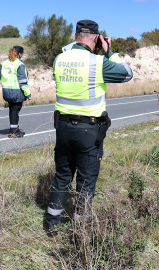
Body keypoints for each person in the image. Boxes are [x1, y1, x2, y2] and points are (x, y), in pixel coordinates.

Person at [45, 19, 133, 234]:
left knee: (63, 175)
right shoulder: (98, 62)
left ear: (75, 36)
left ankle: (51, 225)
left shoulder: (59, 59)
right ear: (96, 39)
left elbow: (70, 57)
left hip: (63, 128)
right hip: (88, 130)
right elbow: (127, 73)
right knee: (86, 179)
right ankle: (80, 228)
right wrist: (110, 51)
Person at [0, 45, 31, 138]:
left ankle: (13, 128)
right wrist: (28, 93)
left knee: (12, 110)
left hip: (7, 91)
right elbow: (23, 81)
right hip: (17, 92)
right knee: (15, 111)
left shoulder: (4, 63)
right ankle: (14, 132)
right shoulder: (19, 64)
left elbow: (1, 76)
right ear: (20, 54)